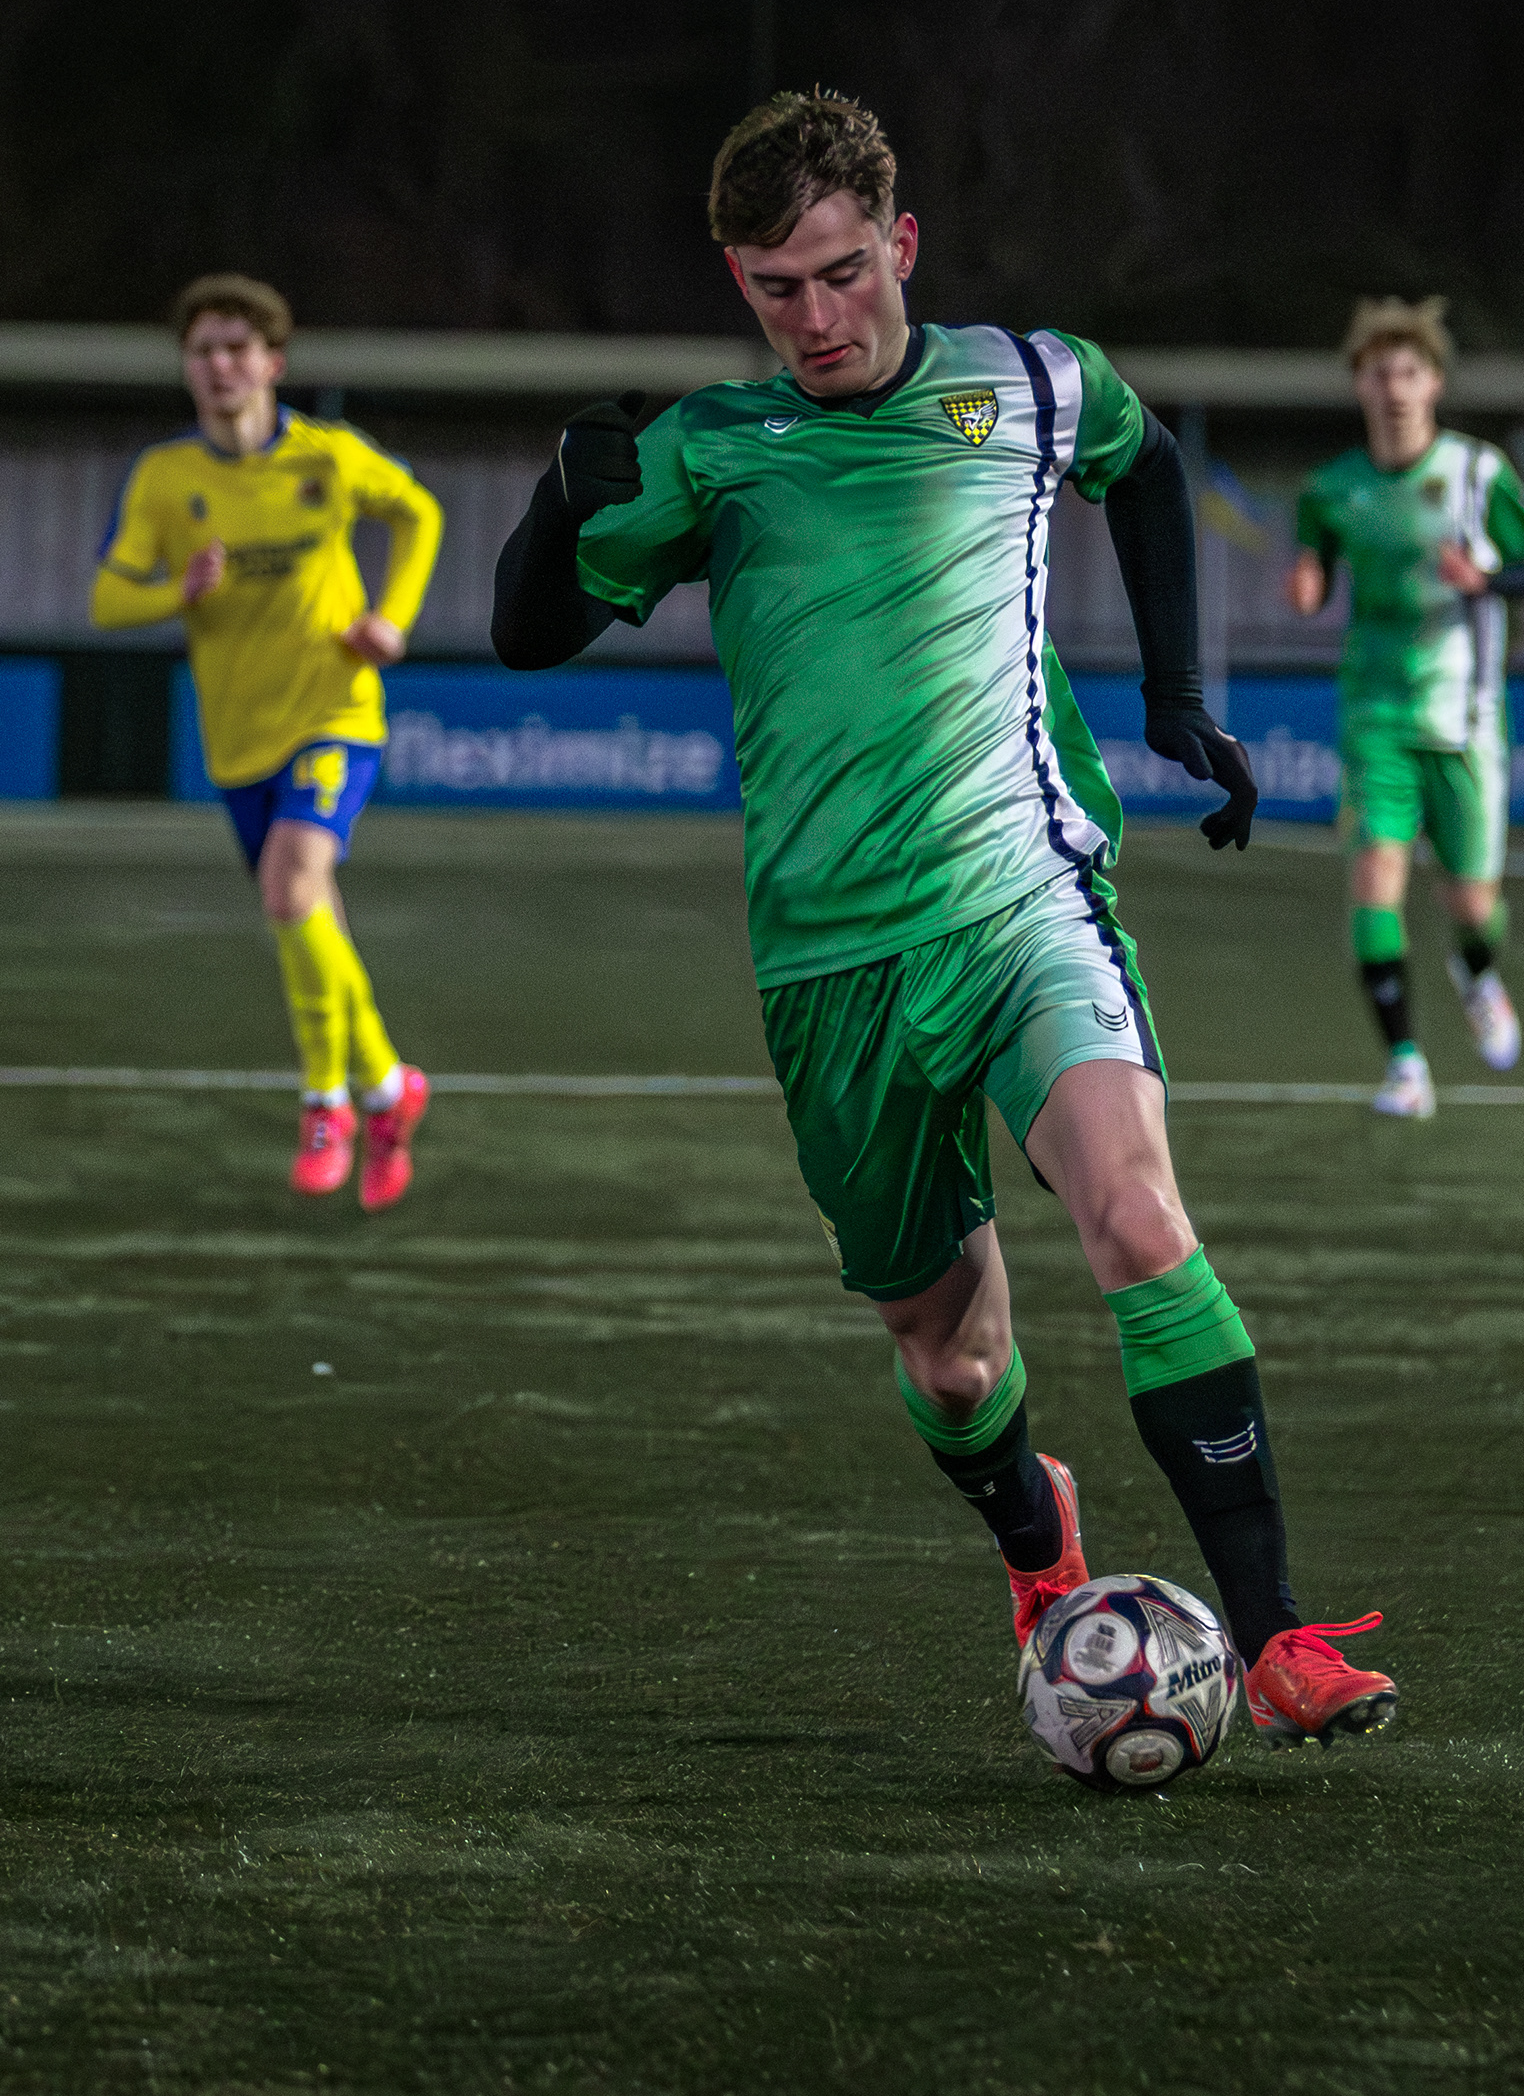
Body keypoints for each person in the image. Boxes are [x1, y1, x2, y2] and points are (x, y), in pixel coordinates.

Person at [492, 89, 1398, 1751]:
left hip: (1020, 899)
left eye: (845, 273)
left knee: (1136, 1215)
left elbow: (1150, 463)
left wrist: (1180, 696)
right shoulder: (710, 449)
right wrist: (561, 503)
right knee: (952, 1358)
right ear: (739, 280)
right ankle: (1037, 1541)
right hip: (827, 962)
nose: (819, 317)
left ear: (901, 242)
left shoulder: (1030, 384)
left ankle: (1278, 1637)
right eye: (780, 288)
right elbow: (527, 639)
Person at [92, 274, 443, 1209]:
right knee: (306, 916)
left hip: (335, 711)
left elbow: (420, 513)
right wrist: (176, 593)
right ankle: (388, 1086)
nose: (220, 365)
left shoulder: (329, 456)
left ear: (272, 363)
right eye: (203, 350)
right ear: (186, 367)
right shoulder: (166, 479)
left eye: (237, 348)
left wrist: (393, 619)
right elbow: (106, 598)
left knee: (291, 889)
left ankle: (327, 1102)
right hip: (237, 738)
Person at [1288, 297, 1524, 1120]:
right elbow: (1313, 570)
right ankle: (1405, 1064)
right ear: (1359, 385)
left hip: (1465, 717)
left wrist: (1488, 579)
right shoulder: (1332, 489)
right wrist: (1306, 582)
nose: (1394, 389)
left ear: (1435, 382)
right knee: (1375, 879)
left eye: (1409, 372)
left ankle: (1476, 972)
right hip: (1374, 713)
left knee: (1473, 906)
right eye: (1379, 374)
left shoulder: (1477, 474)